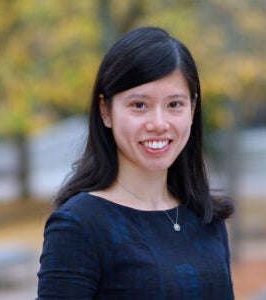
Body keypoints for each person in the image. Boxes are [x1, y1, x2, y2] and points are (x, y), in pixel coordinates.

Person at [37, 26, 234, 299]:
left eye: (174, 104)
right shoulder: (79, 225)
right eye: (139, 105)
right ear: (106, 111)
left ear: (192, 109)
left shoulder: (205, 216)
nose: (158, 123)